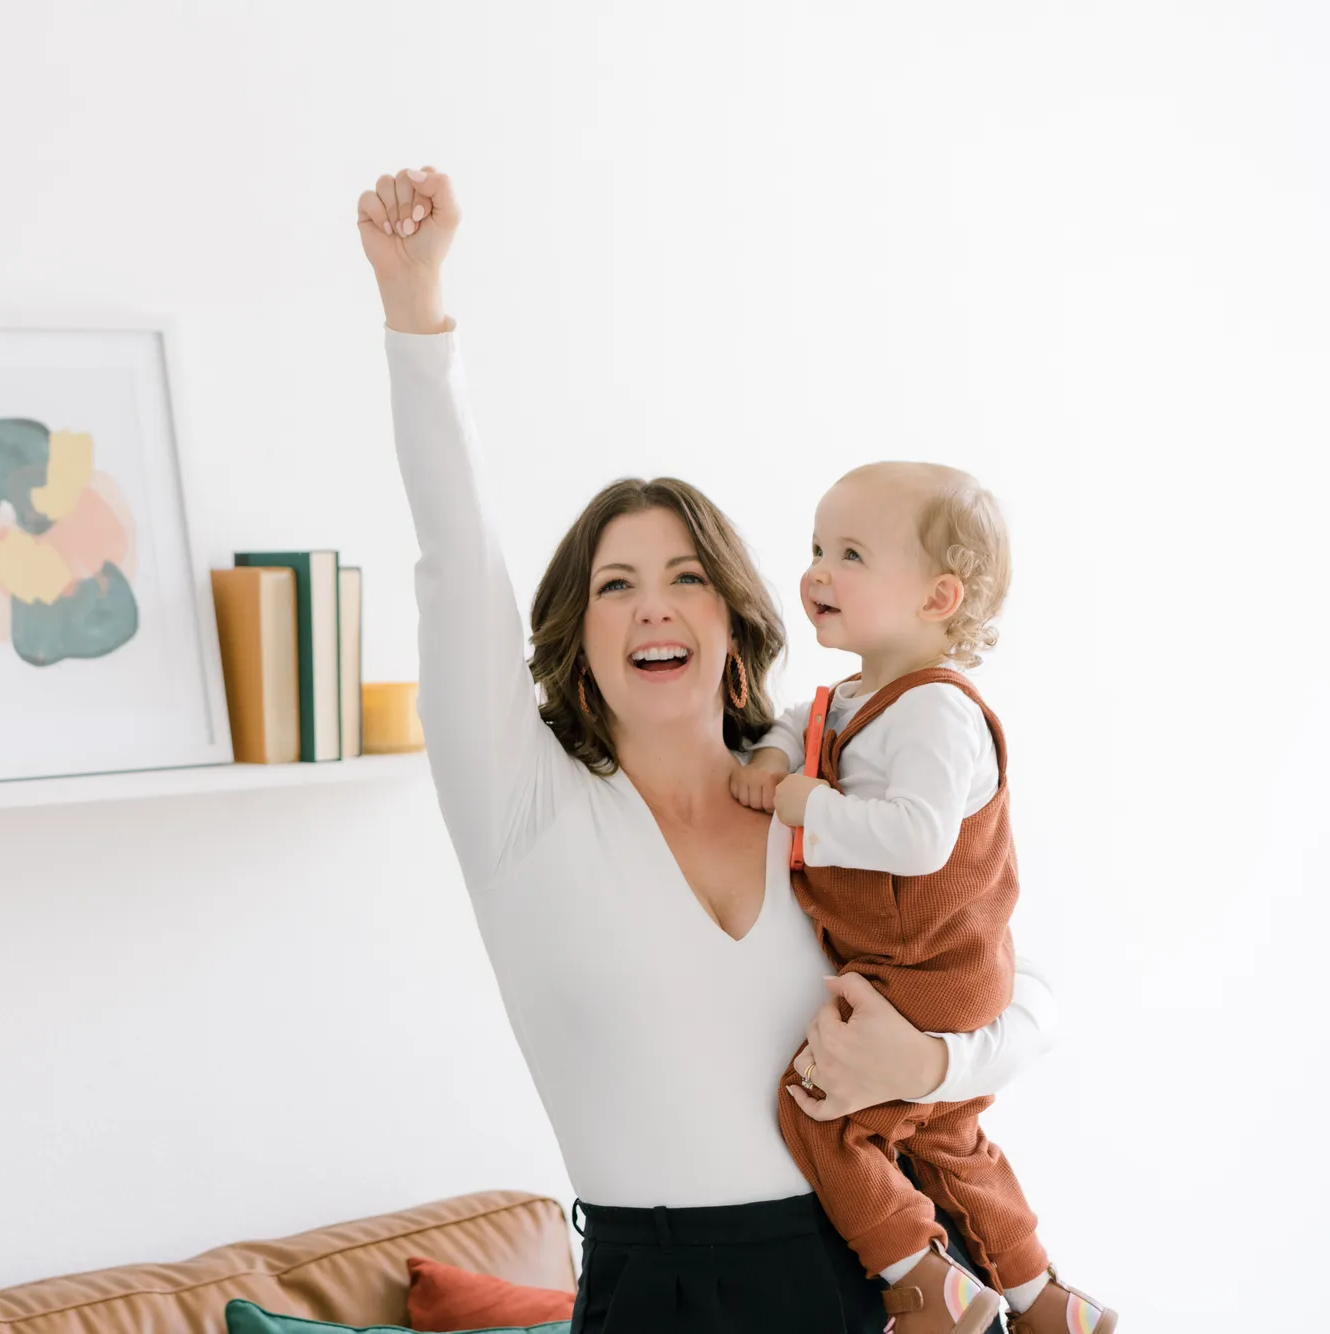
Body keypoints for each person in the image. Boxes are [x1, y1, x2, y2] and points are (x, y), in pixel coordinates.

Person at [355, 165, 1060, 1334]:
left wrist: (927, 1068)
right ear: (573, 632)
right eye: (615, 585)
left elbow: (1024, 989)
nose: (653, 608)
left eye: (686, 577)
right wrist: (414, 302)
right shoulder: (520, 805)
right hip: (655, 1289)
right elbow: (451, 553)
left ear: (732, 612)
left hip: (872, 1274)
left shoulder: (822, 786)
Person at [732, 464, 1115, 1333]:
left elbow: (917, 838)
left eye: (852, 554)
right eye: (818, 549)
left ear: (938, 596)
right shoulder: (862, 696)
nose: (819, 572)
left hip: (932, 967)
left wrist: (809, 808)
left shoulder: (937, 713)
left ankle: (917, 1278)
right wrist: (768, 758)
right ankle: (1037, 1294)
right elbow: (805, 724)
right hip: (933, 965)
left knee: (820, 1112)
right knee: (946, 1138)